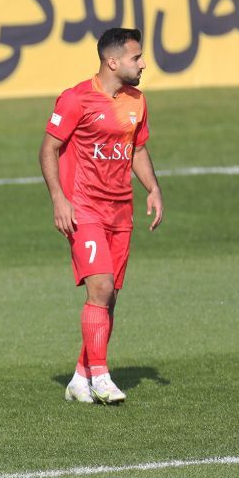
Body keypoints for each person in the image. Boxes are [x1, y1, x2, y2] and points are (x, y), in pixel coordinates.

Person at [38, 28, 164, 405]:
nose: (142, 64)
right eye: (135, 58)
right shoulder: (76, 98)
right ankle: (102, 378)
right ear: (112, 62)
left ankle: (81, 377)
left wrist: (153, 188)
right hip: (84, 208)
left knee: (109, 300)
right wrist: (59, 200)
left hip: (120, 210)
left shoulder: (137, 101)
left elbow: (136, 149)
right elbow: (48, 149)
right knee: (101, 289)